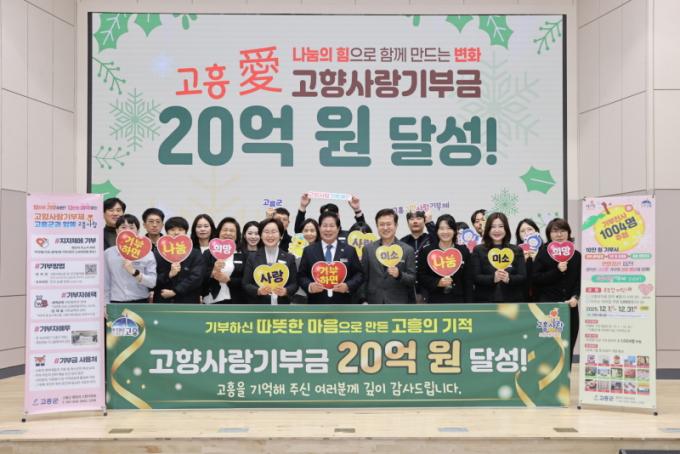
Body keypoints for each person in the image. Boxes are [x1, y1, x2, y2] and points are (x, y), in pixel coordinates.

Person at [532, 218, 582, 367]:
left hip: (570, 307)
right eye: (555, 231)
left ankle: (566, 377)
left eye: (562, 231)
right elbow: (536, 279)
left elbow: (579, 280)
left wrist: (575, 297)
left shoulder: (576, 256)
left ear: (568, 233)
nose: (559, 234)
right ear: (549, 234)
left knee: (569, 344)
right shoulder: (543, 253)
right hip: (549, 308)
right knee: (550, 345)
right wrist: (557, 271)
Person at [298, 212, 363, 304]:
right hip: (316, 304)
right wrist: (310, 286)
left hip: (343, 304)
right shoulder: (309, 251)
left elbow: (359, 274)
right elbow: (301, 276)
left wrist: (348, 286)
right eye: (325, 226)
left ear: (338, 229)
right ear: (319, 228)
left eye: (332, 226)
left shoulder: (349, 250)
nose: (328, 229)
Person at [361, 208, 416, 304]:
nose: (385, 228)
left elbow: (412, 279)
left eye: (389, 224)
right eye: (382, 224)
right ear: (377, 226)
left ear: (396, 225)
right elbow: (363, 278)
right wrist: (362, 299)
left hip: (398, 303)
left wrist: (399, 275)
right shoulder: (368, 249)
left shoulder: (407, 250)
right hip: (373, 302)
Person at [471, 212, 526, 302]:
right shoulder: (478, 250)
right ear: (488, 229)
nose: (497, 230)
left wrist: (509, 278)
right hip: (485, 301)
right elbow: (475, 277)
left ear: (506, 228)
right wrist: (493, 278)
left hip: (512, 301)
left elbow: (522, 276)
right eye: (493, 227)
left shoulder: (516, 250)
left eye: (501, 226)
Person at [418, 214, 473, 303]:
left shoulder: (463, 251)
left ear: (454, 231)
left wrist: (469, 304)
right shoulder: (427, 251)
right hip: (435, 300)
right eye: (442, 228)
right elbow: (421, 276)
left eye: (449, 228)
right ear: (437, 231)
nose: (445, 232)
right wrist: (437, 282)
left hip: (458, 301)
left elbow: (468, 280)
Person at [243, 218, 298, 304]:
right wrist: (258, 291)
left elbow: (294, 284)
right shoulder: (252, 257)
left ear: (281, 235)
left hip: (282, 306)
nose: (270, 235)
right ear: (261, 235)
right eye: (266, 232)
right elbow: (246, 284)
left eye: (274, 232)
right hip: (259, 306)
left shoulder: (289, 258)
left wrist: (286, 291)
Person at [104, 214, 156, 304]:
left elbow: (152, 283)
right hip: (116, 302)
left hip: (140, 301)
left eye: (131, 227)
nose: (127, 230)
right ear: (117, 231)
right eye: (123, 227)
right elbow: (105, 282)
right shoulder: (108, 253)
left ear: (138, 231)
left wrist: (134, 272)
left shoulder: (147, 253)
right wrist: (105, 304)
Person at [154, 216, 206, 304]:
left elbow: (197, 277)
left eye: (180, 229)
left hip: (188, 301)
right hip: (163, 301)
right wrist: (169, 275)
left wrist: (175, 291)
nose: (176, 232)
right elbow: (152, 278)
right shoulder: (158, 253)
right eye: (172, 230)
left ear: (186, 232)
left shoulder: (195, 253)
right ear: (166, 232)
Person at [203, 217, 246, 304]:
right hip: (211, 300)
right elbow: (199, 277)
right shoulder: (208, 253)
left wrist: (229, 280)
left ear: (237, 234)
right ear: (219, 232)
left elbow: (246, 280)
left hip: (236, 301)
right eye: (225, 230)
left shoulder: (243, 254)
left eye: (232, 231)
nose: (228, 233)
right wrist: (213, 272)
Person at [294, 193, 366, 242]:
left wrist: (357, 210)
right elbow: (299, 232)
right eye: (325, 216)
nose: (329, 219)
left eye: (332, 215)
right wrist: (302, 207)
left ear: (338, 216)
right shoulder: (317, 236)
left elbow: (364, 234)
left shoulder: (348, 236)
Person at [400, 210, 435, 303]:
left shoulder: (431, 238)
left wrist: (429, 223)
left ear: (424, 221)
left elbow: (439, 240)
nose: (415, 221)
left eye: (419, 218)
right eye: (411, 219)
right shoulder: (402, 241)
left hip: (428, 287)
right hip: (408, 288)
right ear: (408, 222)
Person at [515, 218, 542, 301]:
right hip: (521, 297)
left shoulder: (546, 250)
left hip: (542, 297)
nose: (526, 233)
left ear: (536, 231)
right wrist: (522, 262)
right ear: (519, 235)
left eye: (529, 229)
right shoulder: (514, 252)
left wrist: (536, 260)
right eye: (522, 231)